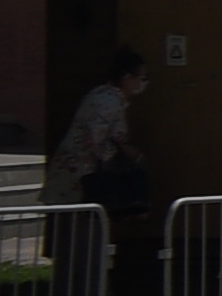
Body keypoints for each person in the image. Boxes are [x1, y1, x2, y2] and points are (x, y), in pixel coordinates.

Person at [58, 43, 152, 248]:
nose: (142, 84)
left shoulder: (103, 96)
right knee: (84, 238)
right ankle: (86, 278)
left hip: (76, 176)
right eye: (141, 78)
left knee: (81, 235)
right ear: (128, 78)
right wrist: (126, 152)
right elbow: (96, 140)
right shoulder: (108, 102)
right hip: (83, 179)